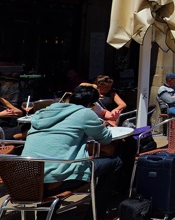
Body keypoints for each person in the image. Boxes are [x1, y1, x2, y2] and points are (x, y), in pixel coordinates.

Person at [22, 85, 122, 219]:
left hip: (25, 179)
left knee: (52, 163)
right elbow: (105, 138)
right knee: (115, 162)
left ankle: (45, 216)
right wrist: (105, 124)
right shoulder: (85, 113)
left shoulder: (42, 113)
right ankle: (97, 213)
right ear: (90, 104)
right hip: (56, 179)